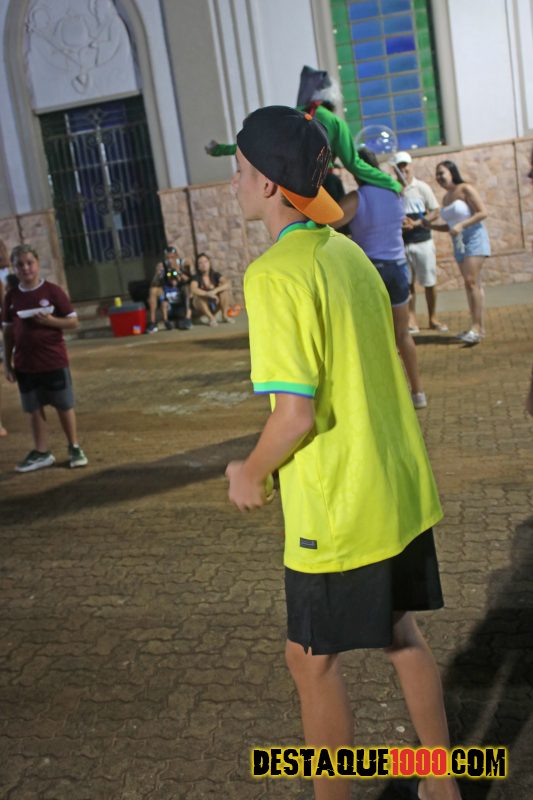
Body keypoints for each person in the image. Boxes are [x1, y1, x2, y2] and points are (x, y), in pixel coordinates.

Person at [225, 105, 461, 800]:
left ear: (269, 183)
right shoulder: (347, 253)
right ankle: (440, 782)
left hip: (337, 511)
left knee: (311, 662)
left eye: (238, 171)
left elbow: (294, 415)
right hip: (395, 491)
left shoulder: (274, 275)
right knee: (399, 633)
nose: (233, 183)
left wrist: (250, 471)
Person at [205, 65, 403, 198]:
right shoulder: (335, 122)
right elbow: (354, 164)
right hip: (326, 188)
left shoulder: (291, 118)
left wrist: (219, 149)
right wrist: (392, 184)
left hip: (294, 192)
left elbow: (255, 143)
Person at [337, 147, 427, 409]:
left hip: (370, 271)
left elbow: (328, 222)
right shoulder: (394, 194)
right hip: (397, 268)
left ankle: (383, 394)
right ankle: (418, 392)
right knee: (402, 334)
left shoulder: (356, 198)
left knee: (371, 335)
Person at [2, 244, 88, 472]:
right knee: (34, 408)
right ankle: (42, 452)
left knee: (64, 405)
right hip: (25, 364)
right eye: (20, 265)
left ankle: (74, 446)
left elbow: (73, 321)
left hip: (53, 360)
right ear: (14, 268)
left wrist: (51, 322)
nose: (25, 268)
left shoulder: (52, 291)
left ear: (38, 263)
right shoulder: (11, 297)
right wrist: (7, 363)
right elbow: (8, 332)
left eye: (29, 263)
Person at [428, 161, 490, 345]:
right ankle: (478, 327)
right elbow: (449, 226)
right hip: (458, 242)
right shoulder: (446, 197)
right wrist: (429, 225)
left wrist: (462, 225)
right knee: (472, 284)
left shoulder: (465, 189)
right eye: (437, 174)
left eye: (442, 173)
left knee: (471, 282)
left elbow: (482, 212)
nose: (439, 177)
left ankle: (476, 329)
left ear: (452, 172)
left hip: (474, 237)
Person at [390, 151, 447, 333]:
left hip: (423, 242)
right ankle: (411, 320)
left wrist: (417, 223)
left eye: (405, 166)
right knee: (407, 285)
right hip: (401, 245)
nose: (403, 170)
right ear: (395, 170)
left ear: (411, 166)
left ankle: (433, 318)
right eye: (399, 167)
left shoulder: (422, 187)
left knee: (429, 282)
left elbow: (435, 210)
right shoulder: (392, 190)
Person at [146, 246, 192, 333]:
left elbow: (189, 280)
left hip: (181, 298)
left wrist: (178, 271)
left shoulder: (183, 263)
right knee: (153, 290)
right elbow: (154, 284)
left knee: (187, 288)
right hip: (167, 299)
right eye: (167, 258)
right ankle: (152, 322)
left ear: (176, 256)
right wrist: (157, 274)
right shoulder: (162, 265)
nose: (170, 260)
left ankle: (187, 318)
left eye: (172, 257)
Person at [190, 253, 237, 326]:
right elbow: (193, 289)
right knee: (198, 297)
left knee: (224, 292)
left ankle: (224, 316)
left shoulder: (215, 274)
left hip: (215, 303)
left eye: (205, 261)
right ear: (198, 266)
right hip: (202, 306)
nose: (204, 264)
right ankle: (211, 318)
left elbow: (227, 283)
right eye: (200, 263)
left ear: (209, 263)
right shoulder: (196, 277)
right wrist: (207, 294)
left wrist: (215, 291)